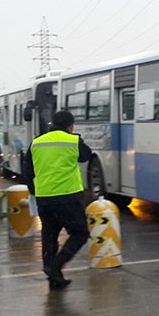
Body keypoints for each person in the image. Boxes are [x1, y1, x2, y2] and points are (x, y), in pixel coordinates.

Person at [23, 110, 93, 290]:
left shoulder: (36, 143)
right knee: (80, 233)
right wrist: (75, 137)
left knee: (50, 235)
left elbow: (28, 172)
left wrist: (35, 192)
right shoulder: (73, 141)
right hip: (68, 197)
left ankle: (53, 275)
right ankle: (56, 266)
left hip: (45, 199)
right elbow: (86, 156)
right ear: (71, 125)